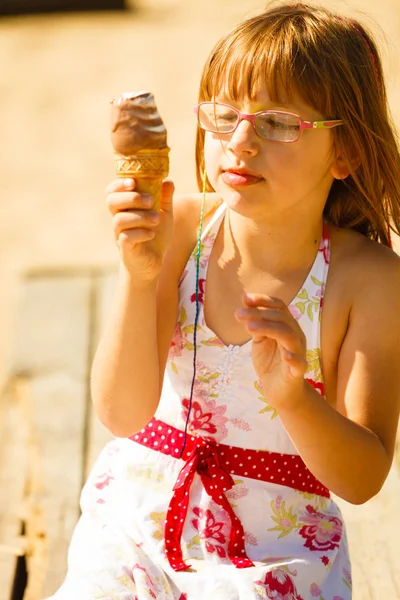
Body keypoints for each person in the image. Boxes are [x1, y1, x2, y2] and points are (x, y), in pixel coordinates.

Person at [49, 2, 400, 599]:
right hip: (140, 514)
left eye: (278, 123)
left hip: (276, 550)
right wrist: (137, 278)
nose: (240, 142)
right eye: (224, 115)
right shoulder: (180, 230)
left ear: (347, 153)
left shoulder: (366, 280)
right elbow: (121, 413)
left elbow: (362, 478)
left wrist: (293, 398)